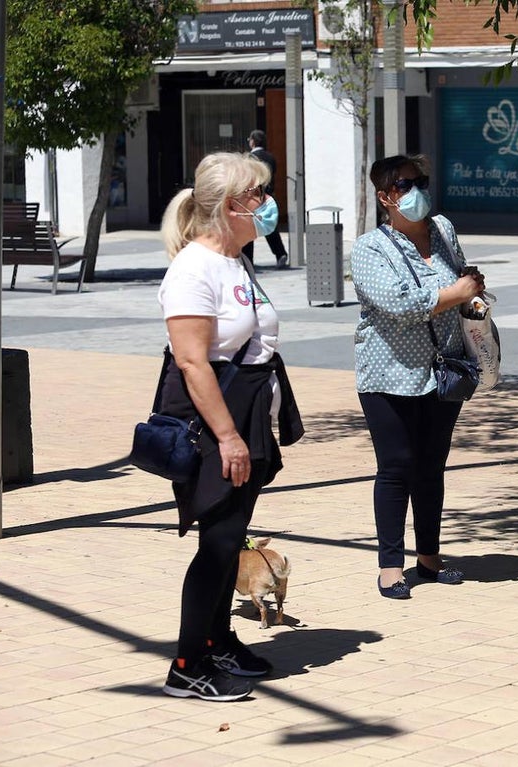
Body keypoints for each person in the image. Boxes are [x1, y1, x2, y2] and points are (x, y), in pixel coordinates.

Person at [157, 151, 304, 701]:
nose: (268, 205)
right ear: (228, 206)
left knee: (229, 536)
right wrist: (228, 437)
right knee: (218, 546)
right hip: (216, 424)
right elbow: (193, 363)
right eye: (258, 195)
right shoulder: (193, 269)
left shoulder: (236, 261)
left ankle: (218, 640)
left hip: (249, 415)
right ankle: (187, 664)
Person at [350, 154, 485, 600]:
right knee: (396, 468)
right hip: (389, 373)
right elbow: (399, 304)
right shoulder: (371, 248)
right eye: (407, 184)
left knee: (432, 467)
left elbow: (459, 280)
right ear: (385, 196)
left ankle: (429, 558)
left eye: (421, 181)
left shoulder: (443, 229)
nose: (418, 190)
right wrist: (455, 293)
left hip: (444, 370)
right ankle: (390, 566)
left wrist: (471, 294)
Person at [241, 130, 290, 269]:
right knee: (270, 227)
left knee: (249, 227)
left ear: (253, 141)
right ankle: (280, 253)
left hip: (253, 196)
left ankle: (248, 259)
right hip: (268, 195)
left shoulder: (250, 158)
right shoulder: (270, 157)